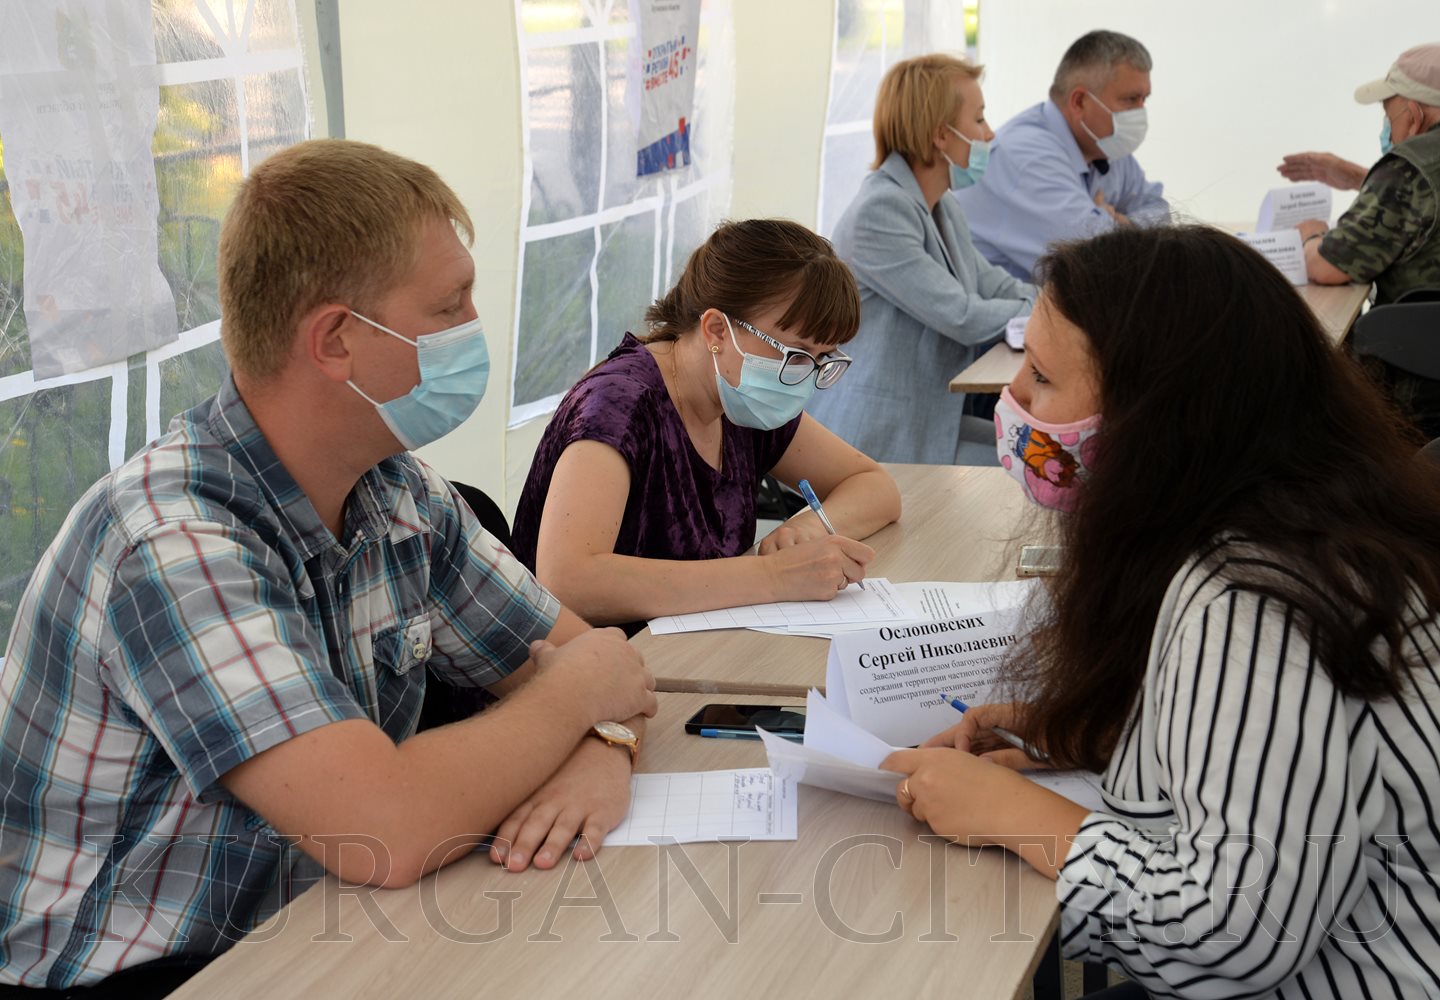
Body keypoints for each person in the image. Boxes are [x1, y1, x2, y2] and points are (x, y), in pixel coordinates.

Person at [0, 140, 659, 994]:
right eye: (450, 305)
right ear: (337, 341)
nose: (474, 327)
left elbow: (598, 669)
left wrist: (604, 745)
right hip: (138, 975)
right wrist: (579, 700)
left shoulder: (397, 490)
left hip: (308, 934)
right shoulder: (170, 543)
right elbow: (386, 828)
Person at [882, 225, 1440, 999]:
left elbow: (1228, 934)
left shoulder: (1257, 600)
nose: (1015, 402)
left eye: (1040, 375)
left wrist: (1012, 813)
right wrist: (1093, 735)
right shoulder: (1295, 531)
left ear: (1153, 413)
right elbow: (1285, 763)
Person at [510, 219, 901, 630]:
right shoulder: (618, 405)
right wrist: (773, 576)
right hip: (587, 659)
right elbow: (569, 581)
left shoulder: (740, 398)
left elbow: (875, 486)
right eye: (796, 354)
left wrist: (805, 530)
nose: (804, 377)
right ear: (716, 330)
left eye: (822, 359)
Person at [805, 54, 1035, 466]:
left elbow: (995, 285)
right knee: (1036, 467)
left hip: (922, 421)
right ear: (940, 135)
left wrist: (1049, 308)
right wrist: (1041, 315)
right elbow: (963, 316)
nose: (990, 133)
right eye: (979, 119)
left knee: (1046, 457)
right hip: (876, 434)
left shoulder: (942, 207)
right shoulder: (880, 211)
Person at [1290, 41, 1440, 305]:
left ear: (1414, 115)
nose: (1386, 126)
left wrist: (1311, 235)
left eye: (1389, 114)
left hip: (1421, 330)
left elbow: (1328, 268)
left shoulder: (1406, 168)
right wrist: (1360, 178)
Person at [952, 30, 1169, 281]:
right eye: (1130, 100)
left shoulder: (1107, 146)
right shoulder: (1026, 156)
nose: (1140, 112)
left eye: (1144, 99)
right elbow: (1103, 263)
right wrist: (1117, 227)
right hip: (998, 304)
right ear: (1079, 102)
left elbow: (1161, 211)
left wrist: (1122, 226)